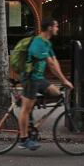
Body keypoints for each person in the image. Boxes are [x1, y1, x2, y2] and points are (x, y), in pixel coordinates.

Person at [18, 18, 74, 150]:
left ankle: (34, 123)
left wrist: (63, 79)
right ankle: (24, 139)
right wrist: (64, 81)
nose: (57, 29)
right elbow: (51, 65)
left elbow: (55, 61)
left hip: (39, 78)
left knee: (57, 94)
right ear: (49, 28)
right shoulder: (38, 43)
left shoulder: (47, 43)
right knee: (25, 109)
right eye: (56, 26)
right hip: (30, 78)